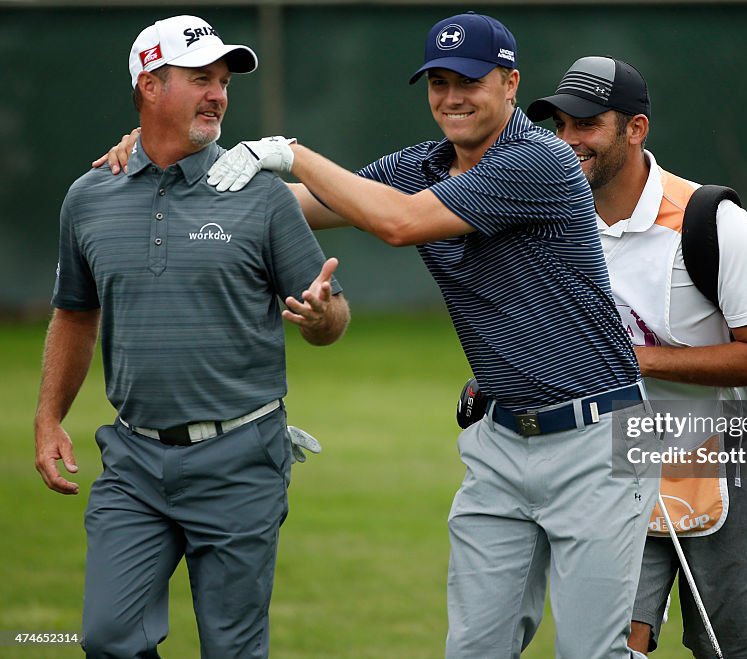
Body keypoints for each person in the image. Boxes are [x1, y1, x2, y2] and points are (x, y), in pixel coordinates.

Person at [178, 13, 659, 659]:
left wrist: (291, 151)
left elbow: (401, 223)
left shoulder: (542, 160)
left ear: (510, 83)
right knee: (472, 649)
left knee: (589, 652)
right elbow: (302, 204)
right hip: (500, 442)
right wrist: (168, 167)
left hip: (597, 441)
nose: (452, 96)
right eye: (438, 81)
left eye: (469, 80)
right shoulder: (421, 162)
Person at [34, 15, 349, 658]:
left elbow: (332, 313)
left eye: (224, 82)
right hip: (133, 461)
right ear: (150, 85)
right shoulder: (89, 197)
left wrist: (322, 317)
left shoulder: (260, 195)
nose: (218, 94)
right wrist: (48, 417)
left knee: (232, 649)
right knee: (108, 637)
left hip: (241, 461)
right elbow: (73, 313)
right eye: (200, 78)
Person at [526, 57, 747, 658]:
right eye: (560, 125)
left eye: (588, 124)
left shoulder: (712, 221)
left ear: (636, 129)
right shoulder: (555, 220)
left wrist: (636, 361)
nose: (570, 141)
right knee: (614, 643)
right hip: (619, 459)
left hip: (736, 462)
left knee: (733, 652)